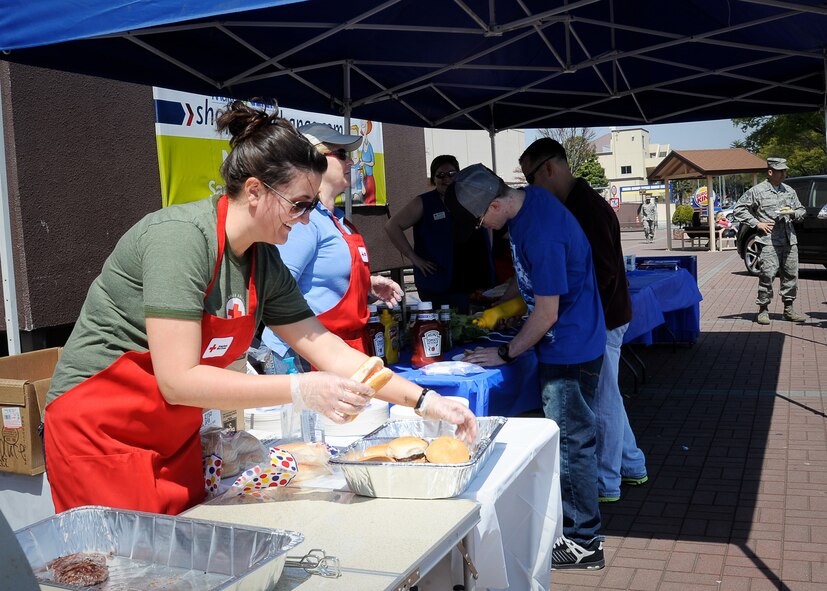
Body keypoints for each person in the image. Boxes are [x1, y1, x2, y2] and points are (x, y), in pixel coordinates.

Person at [42, 102, 477, 516]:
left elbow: (329, 351)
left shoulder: (262, 258)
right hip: (101, 433)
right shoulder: (180, 239)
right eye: (300, 204)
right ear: (255, 191)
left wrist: (426, 401)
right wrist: (299, 391)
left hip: (171, 437)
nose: (306, 219)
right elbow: (177, 380)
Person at [451, 163, 607, 570]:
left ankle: (584, 541)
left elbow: (547, 313)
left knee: (573, 444)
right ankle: (578, 530)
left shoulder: (542, 231)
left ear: (498, 202)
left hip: (570, 347)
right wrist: (501, 303)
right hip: (566, 341)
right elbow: (531, 286)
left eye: (483, 218)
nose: (484, 226)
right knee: (572, 440)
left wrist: (505, 354)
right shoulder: (527, 206)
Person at [519, 138, 647, 505]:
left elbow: (604, 274)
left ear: (549, 168)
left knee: (603, 401)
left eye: (530, 178)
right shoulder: (575, 204)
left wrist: (566, 311)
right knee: (610, 397)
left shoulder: (584, 209)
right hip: (603, 317)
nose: (530, 188)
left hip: (601, 320)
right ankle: (631, 463)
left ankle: (607, 482)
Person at [260, 123, 403, 367]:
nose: (351, 163)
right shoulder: (304, 220)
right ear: (313, 159)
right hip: (301, 354)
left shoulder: (339, 220)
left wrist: (366, 285)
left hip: (335, 349)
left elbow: (319, 279)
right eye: (342, 154)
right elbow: (276, 291)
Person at [385, 155, 494, 313]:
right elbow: (391, 226)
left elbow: (488, 226)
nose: (447, 179)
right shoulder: (424, 202)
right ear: (433, 179)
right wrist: (414, 258)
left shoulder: (471, 198)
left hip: (476, 281)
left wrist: (488, 253)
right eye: (440, 175)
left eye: (452, 174)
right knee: (448, 331)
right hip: (440, 284)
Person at [734, 157, 807, 325]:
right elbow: (739, 209)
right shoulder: (757, 191)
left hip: (789, 240)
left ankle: (788, 309)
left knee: (791, 275)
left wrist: (794, 214)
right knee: (767, 275)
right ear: (770, 172)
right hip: (768, 242)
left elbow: (801, 209)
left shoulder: (789, 191)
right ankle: (763, 310)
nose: (784, 174)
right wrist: (756, 223)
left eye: (785, 171)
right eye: (780, 171)